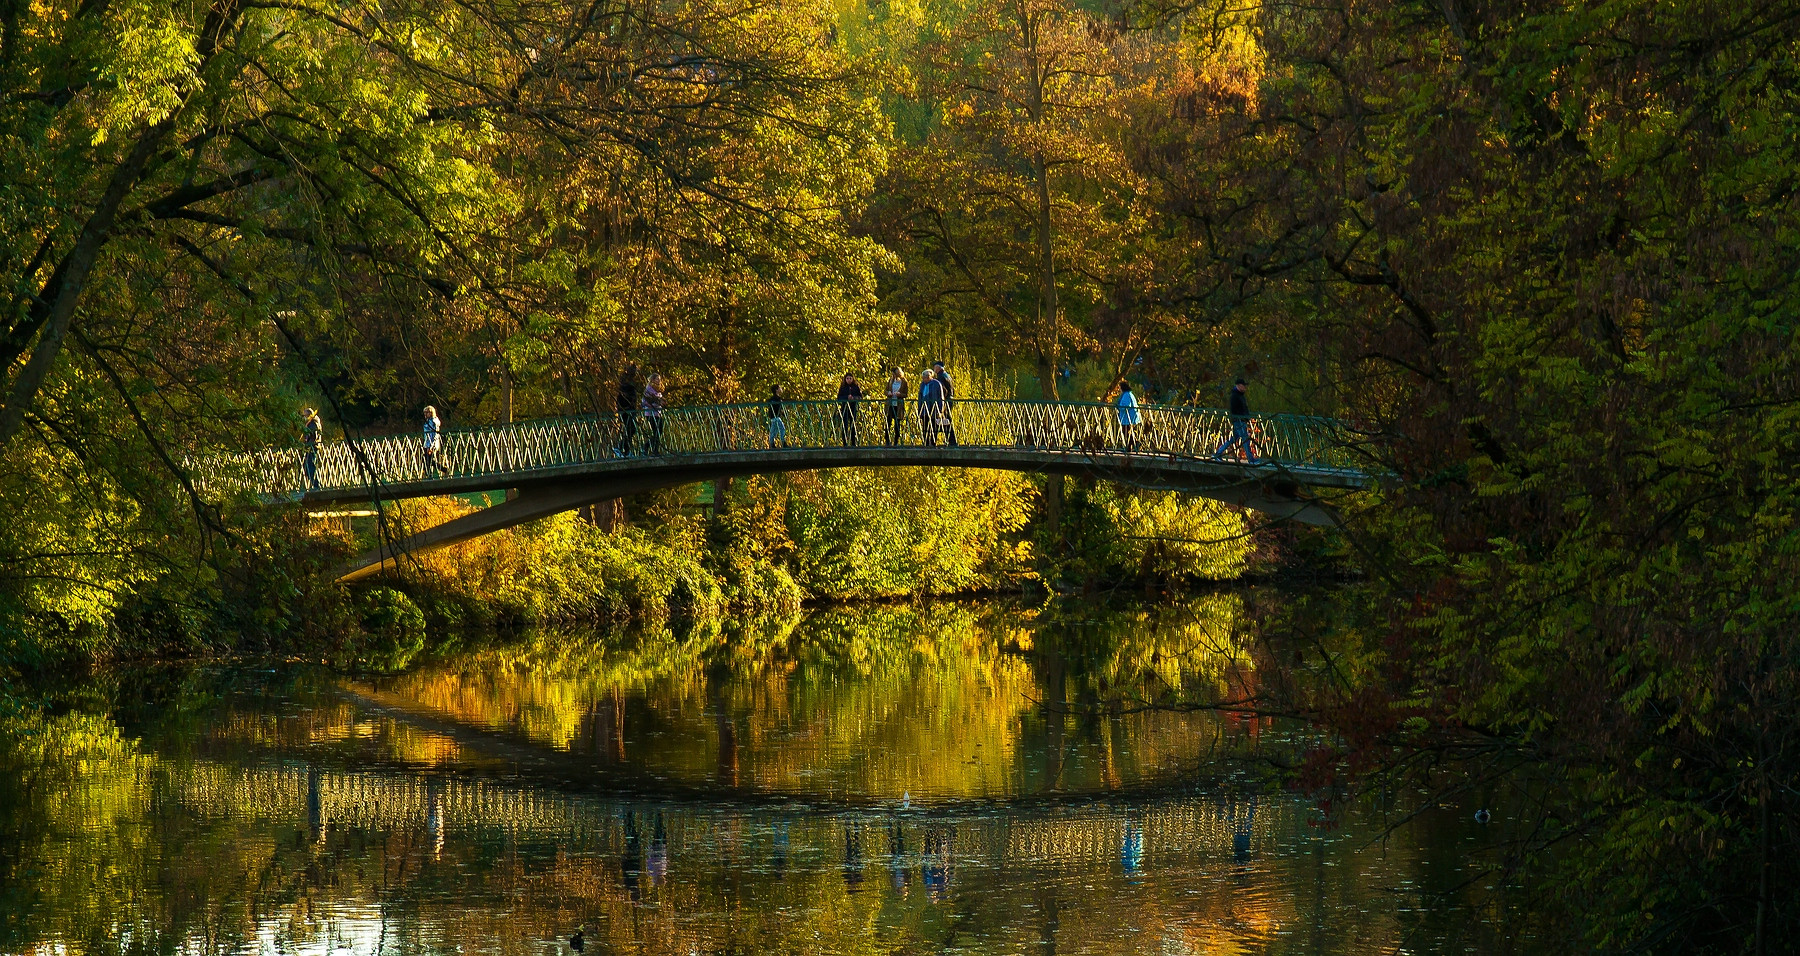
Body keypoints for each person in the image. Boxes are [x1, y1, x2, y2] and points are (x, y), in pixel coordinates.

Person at [1214, 378, 1259, 463]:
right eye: (1243, 385)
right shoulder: (1235, 396)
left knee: (1233, 439)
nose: (1245, 387)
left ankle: (1218, 453)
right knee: (1245, 439)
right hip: (1239, 420)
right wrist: (1242, 417)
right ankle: (1251, 459)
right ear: (1239, 385)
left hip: (1241, 420)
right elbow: (1235, 410)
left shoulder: (1240, 395)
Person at [931, 361, 958, 445]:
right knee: (945, 420)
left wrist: (940, 399)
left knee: (944, 419)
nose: (934, 369)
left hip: (944, 401)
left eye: (935, 367)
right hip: (949, 400)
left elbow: (943, 390)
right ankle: (950, 440)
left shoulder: (941, 377)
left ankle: (950, 440)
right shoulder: (947, 375)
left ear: (938, 367)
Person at [616, 364, 639, 456]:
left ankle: (626, 450)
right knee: (631, 429)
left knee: (631, 429)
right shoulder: (626, 384)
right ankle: (620, 446)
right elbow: (623, 397)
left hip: (630, 410)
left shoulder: (629, 383)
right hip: (626, 410)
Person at [640, 373, 666, 455]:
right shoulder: (648, 390)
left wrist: (662, 403)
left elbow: (660, 400)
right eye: (657, 379)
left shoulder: (657, 390)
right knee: (657, 431)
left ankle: (652, 448)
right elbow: (644, 402)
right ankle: (649, 448)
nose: (659, 380)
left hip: (658, 413)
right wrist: (655, 403)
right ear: (652, 380)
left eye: (659, 379)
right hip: (651, 413)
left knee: (659, 431)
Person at [836, 373, 864, 447]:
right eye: (847, 378)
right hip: (845, 408)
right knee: (844, 425)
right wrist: (846, 397)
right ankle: (844, 442)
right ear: (845, 379)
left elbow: (860, 397)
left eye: (850, 378)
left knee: (853, 425)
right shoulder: (843, 387)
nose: (849, 380)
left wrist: (853, 398)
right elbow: (839, 397)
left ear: (853, 379)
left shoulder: (856, 387)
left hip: (853, 408)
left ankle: (853, 442)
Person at [917, 369, 943, 447]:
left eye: (925, 377)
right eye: (923, 377)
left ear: (930, 377)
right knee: (925, 426)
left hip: (933, 408)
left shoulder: (936, 384)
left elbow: (940, 397)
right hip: (924, 408)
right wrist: (919, 409)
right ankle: (926, 442)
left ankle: (933, 442)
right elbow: (920, 396)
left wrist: (940, 409)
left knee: (934, 426)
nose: (924, 379)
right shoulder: (922, 384)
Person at [300, 407, 322, 490]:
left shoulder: (313, 423)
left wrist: (308, 439)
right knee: (308, 465)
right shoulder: (313, 422)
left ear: (309, 415)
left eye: (305, 415)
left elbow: (314, 435)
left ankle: (316, 485)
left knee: (310, 465)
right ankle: (314, 483)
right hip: (312, 446)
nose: (304, 418)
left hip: (312, 446)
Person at [1115, 381, 1141, 452]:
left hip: (1128, 417)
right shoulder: (1129, 394)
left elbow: (1126, 405)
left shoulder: (1126, 395)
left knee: (1126, 432)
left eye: (1119, 387)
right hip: (1130, 416)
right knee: (1127, 432)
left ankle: (1135, 443)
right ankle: (1130, 447)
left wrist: (1118, 407)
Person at [884, 367, 907, 445]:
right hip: (890, 404)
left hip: (898, 405)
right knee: (888, 421)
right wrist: (888, 393)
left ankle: (896, 441)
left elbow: (906, 394)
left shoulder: (904, 382)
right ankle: (887, 440)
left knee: (897, 423)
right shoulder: (890, 381)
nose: (893, 375)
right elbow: (885, 390)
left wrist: (900, 394)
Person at [421, 405, 443, 476]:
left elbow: (434, 433)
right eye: (424, 413)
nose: (425, 414)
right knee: (426, 458)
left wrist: (431, 445)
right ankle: (428, 473)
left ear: (431, 413)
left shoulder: (433, 421)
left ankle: (430, 474)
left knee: (428, 459)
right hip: (427, 443)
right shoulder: (428, 421)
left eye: (426, 413)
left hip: (431, 443)